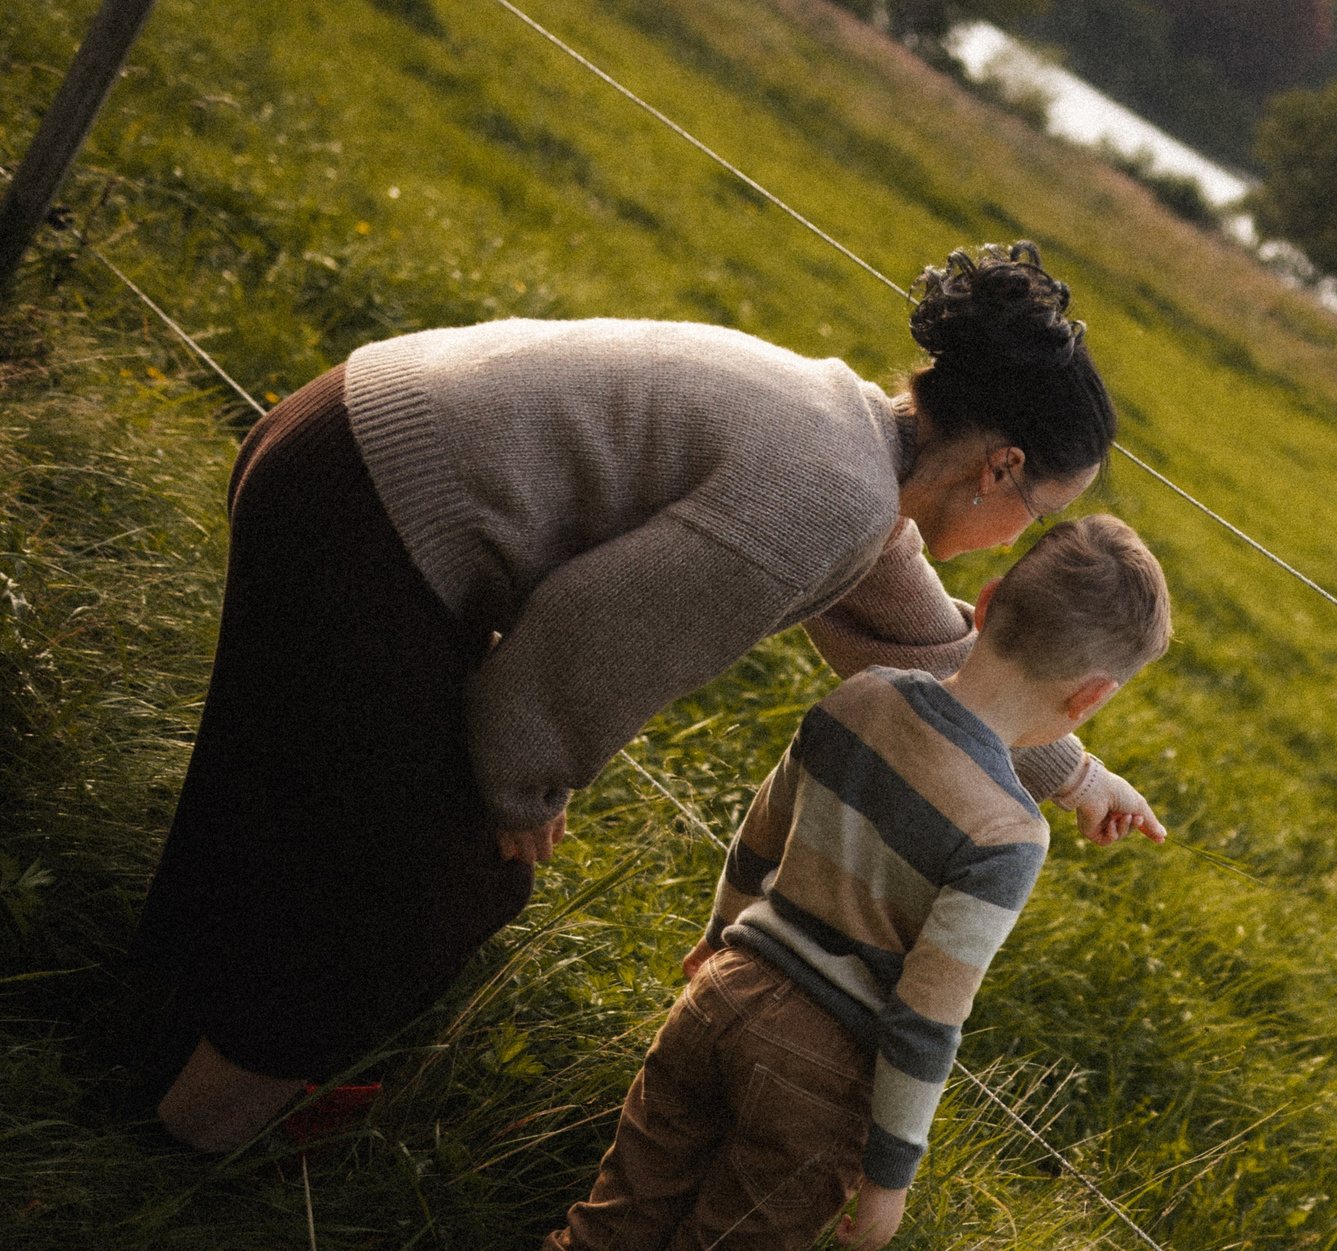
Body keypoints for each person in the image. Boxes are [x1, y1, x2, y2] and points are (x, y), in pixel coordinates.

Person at [131, 242, 1157, 1152]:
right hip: (370, 506)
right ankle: (196, 1135)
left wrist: (1073, 773)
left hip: (342, 440)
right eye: (1038, 512)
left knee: (282, 777)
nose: (1019, 538)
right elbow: (585, 633)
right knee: (440, 873)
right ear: (1000, 467)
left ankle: (152, 1032)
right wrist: (521, 788)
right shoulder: (828, 497)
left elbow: (946, 660)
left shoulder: (854, 445)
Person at [509, 514, 1171, 1251]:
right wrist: (891, 1174)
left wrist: (718, 938)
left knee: (612, 1219)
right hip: (819, 1074)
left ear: (987, 602)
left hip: (723, 991)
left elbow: (761, 830)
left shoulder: (866, 692)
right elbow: (928, 1015)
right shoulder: (1008, 833)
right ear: (1093, 696)